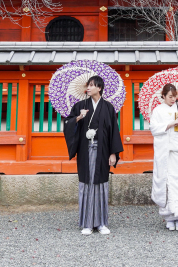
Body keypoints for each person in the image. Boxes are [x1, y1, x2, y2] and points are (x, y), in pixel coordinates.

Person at [63, 75, 123, 236]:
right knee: (87, 183)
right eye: (87, 85)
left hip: (102, 150)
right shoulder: (80, 106)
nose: (88, 88)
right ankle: (87, 223)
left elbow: (113, 132)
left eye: (91, 85)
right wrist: (78, 117)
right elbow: (67, 124)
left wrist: (113, 153)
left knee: (101, 184)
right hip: (85, 150)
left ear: (99, 88)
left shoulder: (108, 107)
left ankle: (102, 223)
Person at [150, 84, 178, 231]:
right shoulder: (157, 110)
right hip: (167, 152)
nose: (173, 99)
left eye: (174, 96)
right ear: (163, 96)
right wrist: (170, 124)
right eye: (170, 96)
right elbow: (154, 129)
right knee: (168, 182)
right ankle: (169, 217)